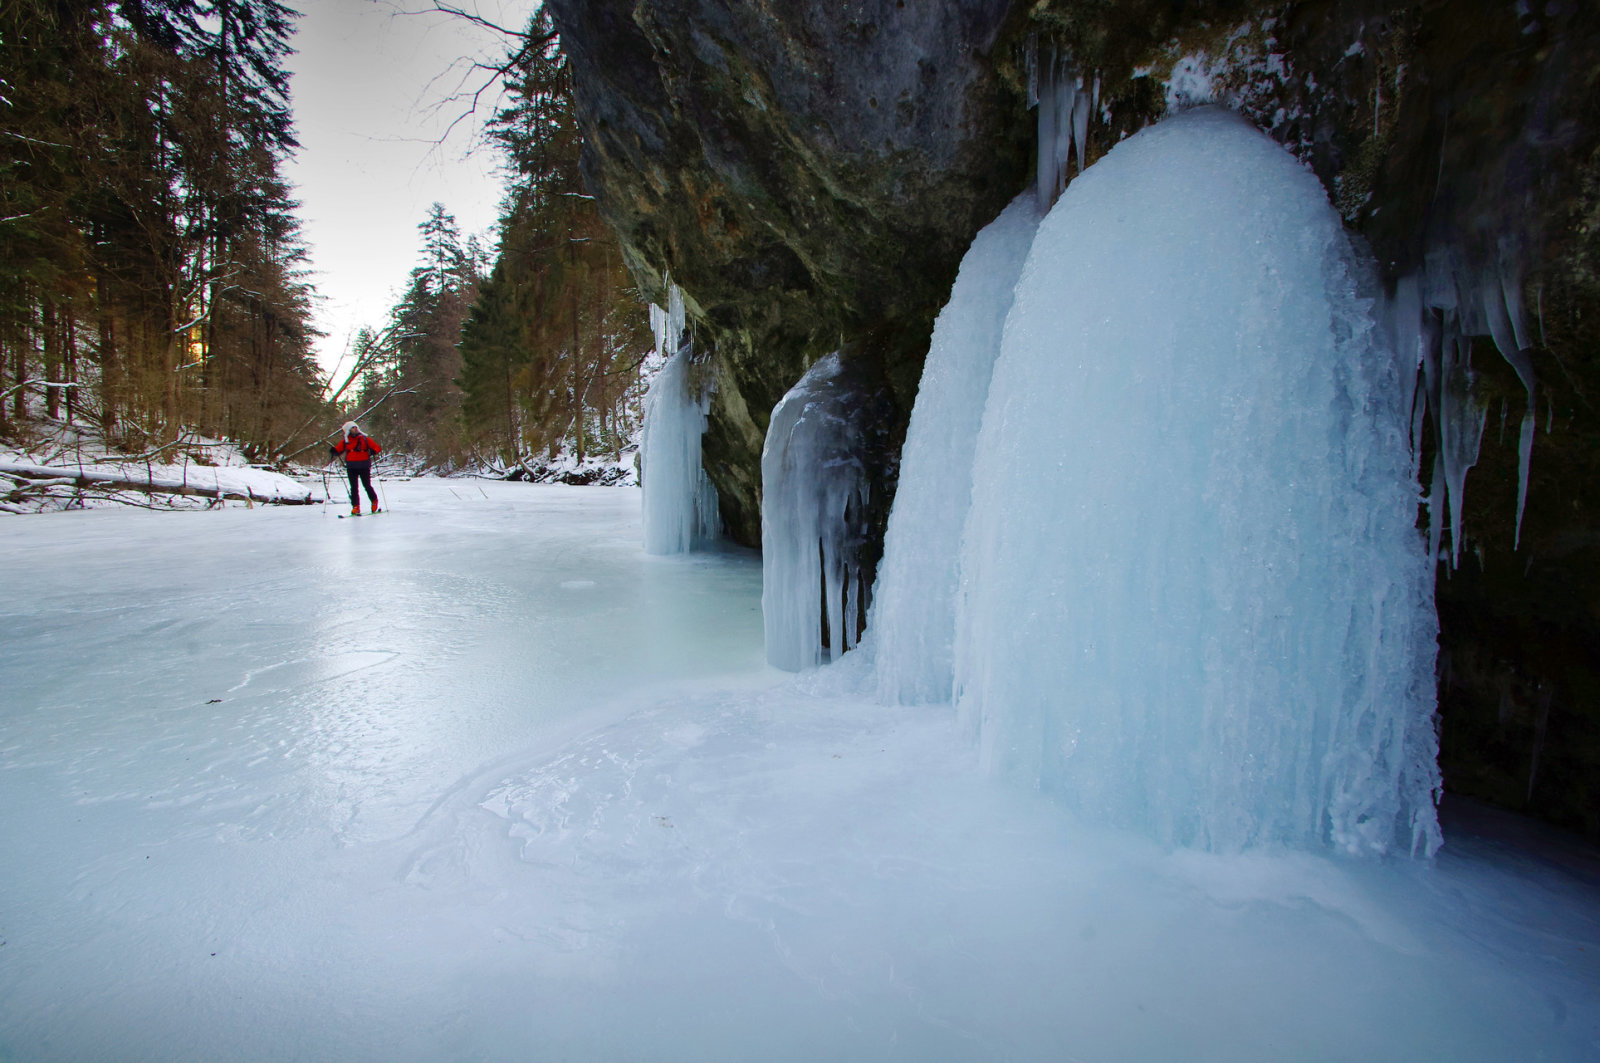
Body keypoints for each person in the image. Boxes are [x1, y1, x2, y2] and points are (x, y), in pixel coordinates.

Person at [330, 421, 382, 515]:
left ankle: (374, 501)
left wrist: (373, 451)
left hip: (364, 465)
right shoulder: (346, 441)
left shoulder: (365, 439)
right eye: (353, 428)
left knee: (367, 485)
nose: (355, 429)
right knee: (354, 488)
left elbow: (377, 447)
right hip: (351, 466)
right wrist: (334, 451)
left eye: (356, 427)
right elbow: (338, 450)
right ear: (348, 431)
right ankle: (355, 507)